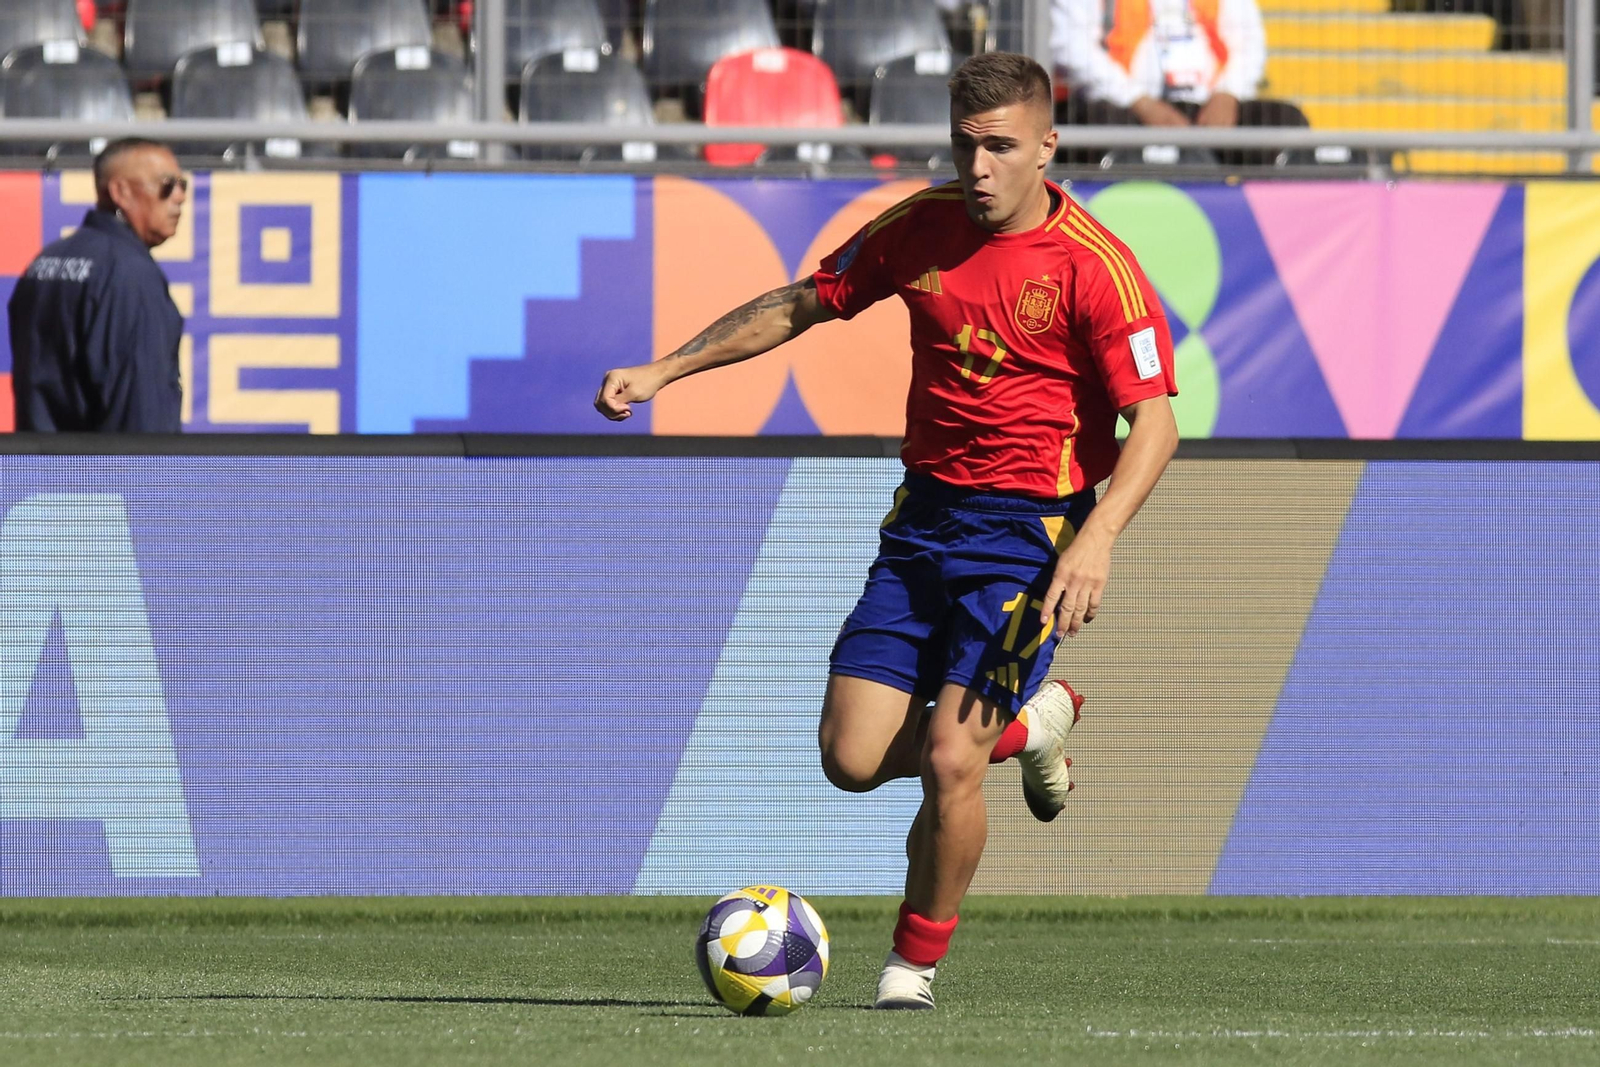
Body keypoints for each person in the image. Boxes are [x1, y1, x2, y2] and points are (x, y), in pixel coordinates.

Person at [595, 52, 1178, 1010]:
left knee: (950, 759)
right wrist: (665, 369)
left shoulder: (1097, 268)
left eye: (1000, 147)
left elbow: (1155, 422)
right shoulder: (919, 227)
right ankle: (1031, 724)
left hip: (1032, 538)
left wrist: (1099, 535)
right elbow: (802, 303)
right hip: (925, 522)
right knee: (852, 758)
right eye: (963, 144)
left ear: (1046, 146)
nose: (978, 167)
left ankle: (911, 968)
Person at [7, 138, 188, 432]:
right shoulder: (130, 274)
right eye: (167, 185)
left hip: (39, 459)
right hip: (108, 461)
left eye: (183, 185)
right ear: (120, 192)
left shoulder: (46, 260)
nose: (179, 196)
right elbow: (143, 415)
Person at [1052, 0, 1308, 163]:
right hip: (1125, 109)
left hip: (1209, 110)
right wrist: (1139, 101)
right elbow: (1071, 47)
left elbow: (1249, 43)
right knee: (1095, 126)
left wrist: (1228, 93)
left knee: (1286, 121)